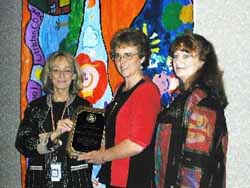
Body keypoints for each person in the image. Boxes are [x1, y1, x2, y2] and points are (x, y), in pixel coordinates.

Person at [78, 28, 161, 187]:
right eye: (117, 56)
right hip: (115, 175)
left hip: (133, 178)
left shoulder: (147, 91)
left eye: (128, 55)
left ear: (142, 58)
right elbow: (113, 131)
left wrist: (102, 156)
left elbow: (138, 143)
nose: (121, 62)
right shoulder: (119, 89)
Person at [154, 32, 228, 188]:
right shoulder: (183, 97)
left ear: (202, 61)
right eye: (175, 56)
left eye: (186, 56)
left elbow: (197, 163)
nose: (178, 61)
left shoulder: (202, 100)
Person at [15, 51, 94, 188]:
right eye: (56, 70)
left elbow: (90, 151)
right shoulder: (35, 107)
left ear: (74, 75)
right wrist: (53, 136)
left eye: (67, 70)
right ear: (49, 75)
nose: (61, 76)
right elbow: (22, 144)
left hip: (76, 181)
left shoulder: (84, 108)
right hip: (39, 181)